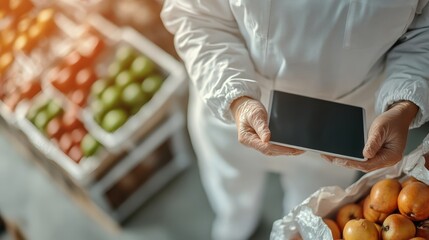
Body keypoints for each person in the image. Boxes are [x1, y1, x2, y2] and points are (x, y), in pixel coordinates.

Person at [161, 1, 429, 239]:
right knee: (229, 188)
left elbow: (423, 33)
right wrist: (237, 100)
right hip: (233, 101)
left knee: (308, 208)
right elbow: (195, 14)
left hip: (345, 128)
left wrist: (404, 105)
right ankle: (235, 224)